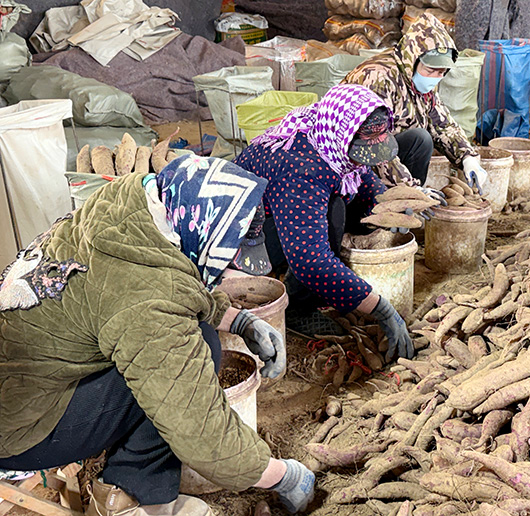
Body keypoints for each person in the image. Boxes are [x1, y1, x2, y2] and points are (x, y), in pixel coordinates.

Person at [0, 156, 315, 516]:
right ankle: (126, 499)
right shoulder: (149, 303)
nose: (231, 273)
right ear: (201, 231)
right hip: (20, 429)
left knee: (189, 345)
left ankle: (135, 487)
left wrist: (237, 320)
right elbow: (201, 433)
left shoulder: (131, 200)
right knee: (184, 373)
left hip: (20, 377)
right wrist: (283, 476)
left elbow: (148, 279)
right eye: (227, 260)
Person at [233, 84, 415, 360]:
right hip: (247, 238)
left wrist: (389, 205)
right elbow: (310, 260)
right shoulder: (301, 167)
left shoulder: (332, 134)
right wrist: (382, 310)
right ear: (345, 137)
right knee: (334, 213)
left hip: (286, 215)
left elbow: (363, 177)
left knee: (340, 207)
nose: (366, 157)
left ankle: (331, 285)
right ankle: (298, 308)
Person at [341, 12, 488, 194]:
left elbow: (442, 125)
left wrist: (467, 157)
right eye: (430, 70)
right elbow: (373, 142)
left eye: (441, 72)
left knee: (420, 140)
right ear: (413, 60)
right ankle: (382, 202)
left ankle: (407, 202)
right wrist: (410, 188)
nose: (435, 77)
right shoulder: (378, 78)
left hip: (387, 149)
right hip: (355, 156)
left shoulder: (420, 81)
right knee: (420, 138)